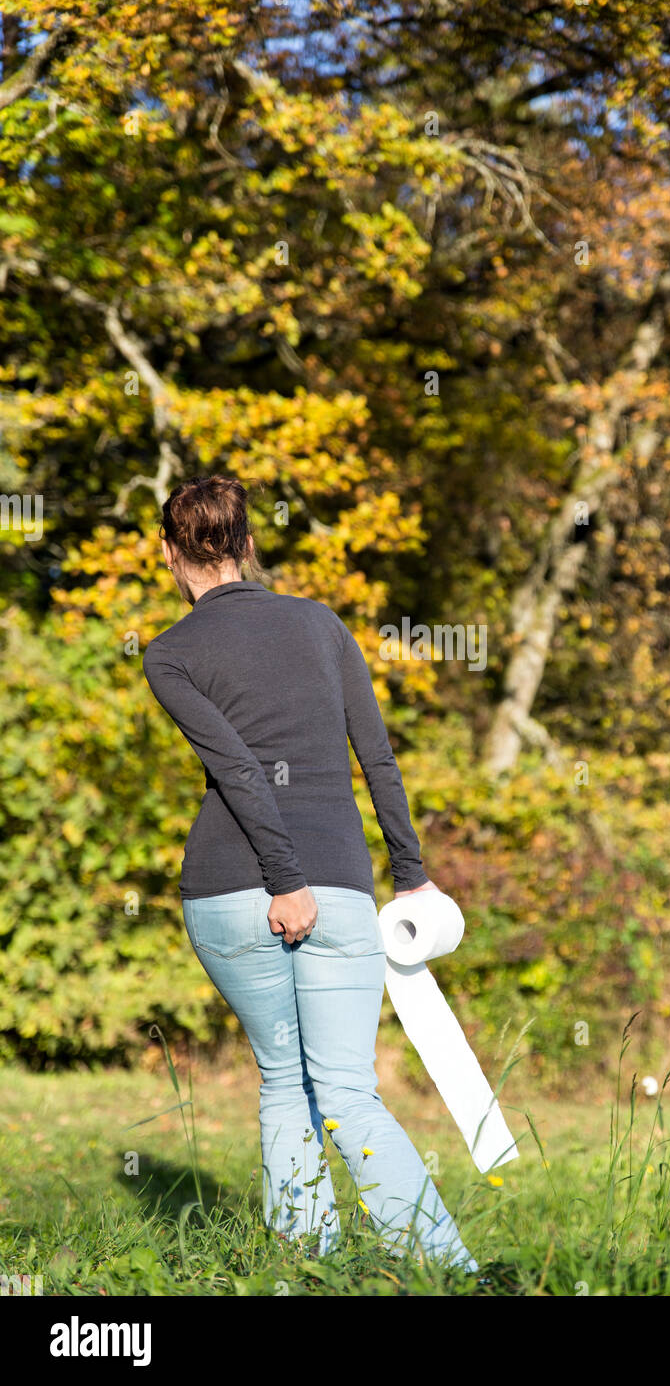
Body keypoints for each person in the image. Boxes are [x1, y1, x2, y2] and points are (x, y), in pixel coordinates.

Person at [142, 473, 477, 1274]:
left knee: (286, 1086)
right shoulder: (320, 625)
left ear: (168, 555)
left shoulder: (169, 654)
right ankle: (451, 1277)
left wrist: (292, 879)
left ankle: (304, 1271)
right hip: (319, 883)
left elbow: (238, 771)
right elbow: (376, 757)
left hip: (224, 894)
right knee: (347, 1093)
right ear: (250, 546)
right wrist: (409, 874)